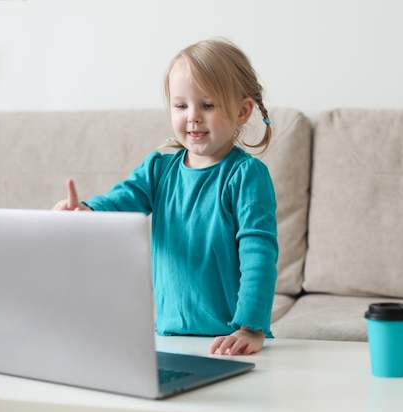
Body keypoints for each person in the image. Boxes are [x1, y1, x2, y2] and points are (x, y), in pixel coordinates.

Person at [53, 38, 278, 356]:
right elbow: (122, 199)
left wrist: (251, 329)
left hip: (231, 339)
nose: (193, 117)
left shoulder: (246, 175)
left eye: (208, 105)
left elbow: (259, 257)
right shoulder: (159, 168)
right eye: (181, 105)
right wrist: (87, 209)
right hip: (170, 335)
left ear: (242, 111)